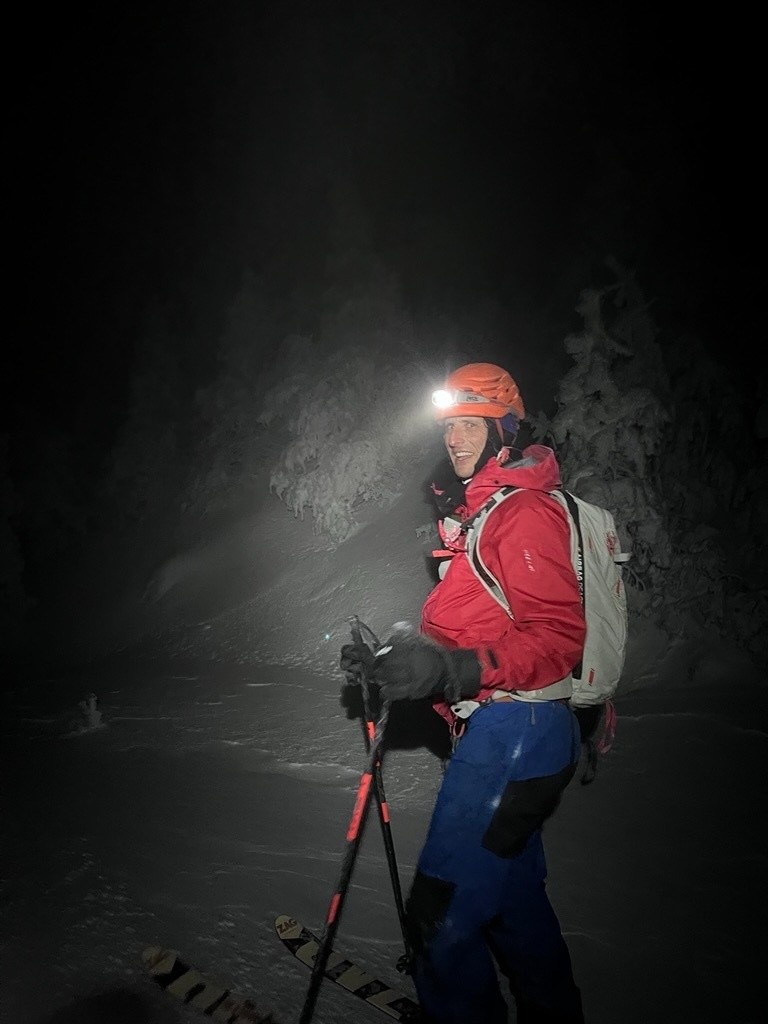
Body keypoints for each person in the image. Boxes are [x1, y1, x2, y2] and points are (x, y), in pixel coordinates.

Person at [340, 361, 586, 1024]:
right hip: (504, 733)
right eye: (448, 424)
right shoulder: (482, 517)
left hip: (517, 737)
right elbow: (471, 633)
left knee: (442, 914)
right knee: (510, 903)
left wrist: (454, 673)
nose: (453, 436)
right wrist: (394, 664)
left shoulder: (524, 513)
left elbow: (557, 639)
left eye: (468, 423)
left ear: (502, 428)